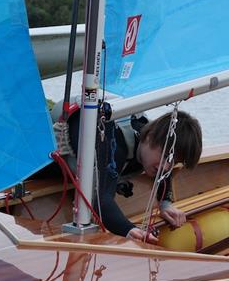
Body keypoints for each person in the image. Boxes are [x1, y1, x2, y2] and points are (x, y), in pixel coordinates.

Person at [61, 103, 203, 243]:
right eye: (166, 156)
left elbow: (164, 173)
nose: (166, 167)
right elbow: (100, 201)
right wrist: (129, 230)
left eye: (174, 161)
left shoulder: (153, 138)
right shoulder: (115, 147)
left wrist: (165, 203)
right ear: (149, 137)